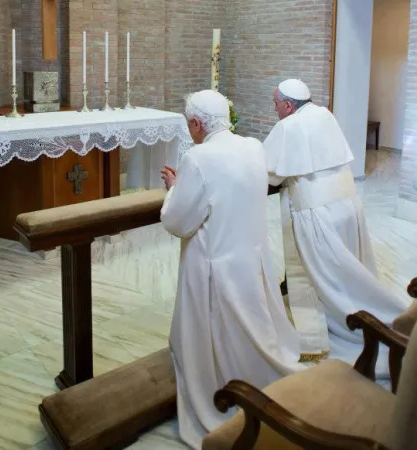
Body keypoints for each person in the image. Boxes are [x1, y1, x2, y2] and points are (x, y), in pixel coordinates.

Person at [160, 89, 306, 450]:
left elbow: (179, 221)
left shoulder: (198, 157)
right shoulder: (254, 146)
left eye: (188, 123)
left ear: (196, 124)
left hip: (214, 261)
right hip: (250, 255)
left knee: (209, 338)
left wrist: (173, 190)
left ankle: (221, 381)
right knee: (252, 323)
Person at [264, 78, 409, 374]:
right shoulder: (324, 114)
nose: (275, 109)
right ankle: (375, 315)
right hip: (347, 205)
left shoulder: (287, 127)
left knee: (328, 279)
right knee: (351, 271)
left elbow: (269, 173)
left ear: (288, 105)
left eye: (276, 104)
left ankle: (349, 327)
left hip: (317, 213)